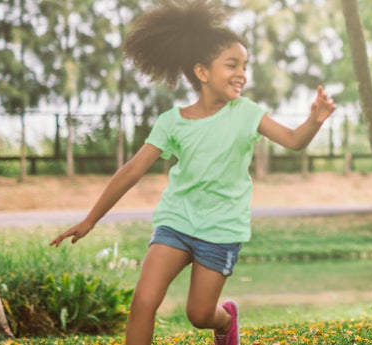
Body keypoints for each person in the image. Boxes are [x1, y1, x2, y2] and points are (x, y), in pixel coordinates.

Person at [49, 1, 336, 345]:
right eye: (232, 65)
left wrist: (314, 121)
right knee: (143, 301)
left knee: (199, 315)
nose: (242, 73)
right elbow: (131, 172)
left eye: (245, 65)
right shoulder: (172, 122)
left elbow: (293, 140)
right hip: (176, 222)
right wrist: (90, 219)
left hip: (221, 228)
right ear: (202, 72)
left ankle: (225, 321)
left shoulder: (246, 112)